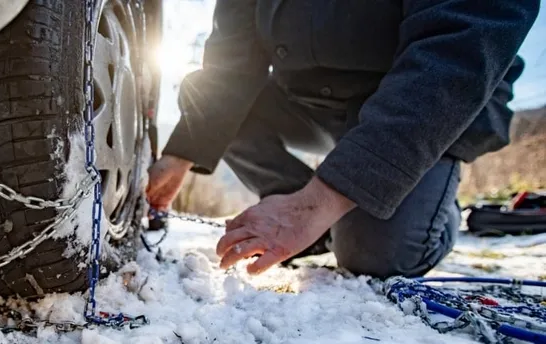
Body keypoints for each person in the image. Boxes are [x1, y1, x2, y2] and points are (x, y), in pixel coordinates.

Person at [146, 0, 539, 277]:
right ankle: (308, 221)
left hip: (423, 105)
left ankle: (431, 203)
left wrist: (320, 201)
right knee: (203, 91)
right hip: (311, 103)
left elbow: (459, 47)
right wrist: (182, 152)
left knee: (376, 255)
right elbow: (230, 63)